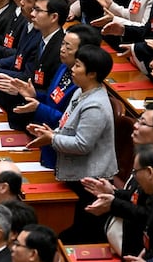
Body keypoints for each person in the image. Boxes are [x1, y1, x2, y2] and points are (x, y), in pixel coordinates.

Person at [26, 45, 117, 242]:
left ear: (92, 73)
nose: (72, 70)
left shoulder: (96, 105)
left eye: (77, 66)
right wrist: (51, 132)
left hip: (90, 179)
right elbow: (66, 124)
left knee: (76, 236)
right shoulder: (80, 92)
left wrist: (52, 138)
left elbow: (82, 144)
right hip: (74, 171)